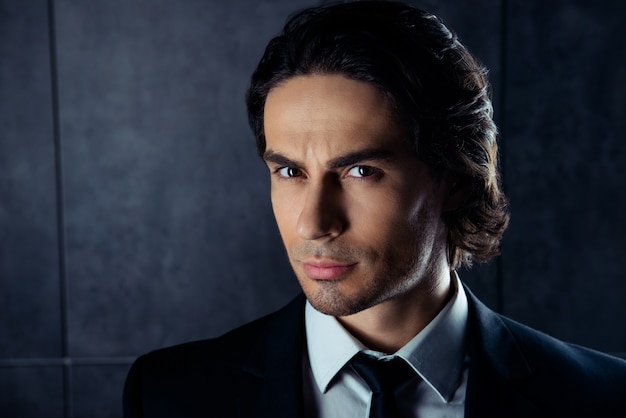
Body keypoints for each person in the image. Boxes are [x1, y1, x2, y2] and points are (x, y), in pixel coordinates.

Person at [123, 1, 626, 417]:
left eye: (360, 172)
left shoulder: (601, 399)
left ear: (453, 178)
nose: (313, 223)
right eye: (290, 172)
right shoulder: (170, 396)